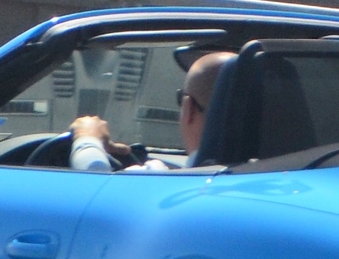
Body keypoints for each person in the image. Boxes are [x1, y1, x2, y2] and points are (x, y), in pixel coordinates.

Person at [70, 51, 233, 172]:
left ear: (188, 109)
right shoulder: (257, 177)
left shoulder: (157, 181)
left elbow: (96, 191)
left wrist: (87, 139)